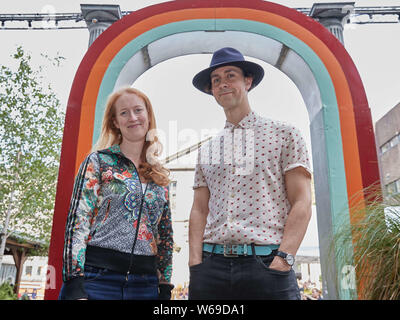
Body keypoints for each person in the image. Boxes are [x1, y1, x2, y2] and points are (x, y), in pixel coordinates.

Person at [188, 47, 312, 300]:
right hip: (211, 269)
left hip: (268, 264)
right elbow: (199, 209)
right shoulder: (206, 149)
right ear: (211, 90)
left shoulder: (285, 134)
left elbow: (302, 200)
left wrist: (284, 258)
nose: (223, 84)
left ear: (248, 80)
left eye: (230, 75)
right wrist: (195, 262)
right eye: (216, 80)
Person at [59, 87, 174, 300]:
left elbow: (165, 236)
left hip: (145, 284)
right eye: (124, 113)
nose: (133, 117)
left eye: (138, 110)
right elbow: (78, 222)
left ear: (148, 116)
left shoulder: (160, 175)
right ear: (115, 122)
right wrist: (75, 280)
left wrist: (165, 285)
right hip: (97, 278)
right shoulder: (98, 162)